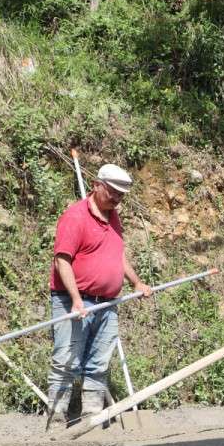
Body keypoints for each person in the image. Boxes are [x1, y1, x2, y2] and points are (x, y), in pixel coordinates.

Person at [46, 163, 152, 429]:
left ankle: (91, 419)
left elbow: (117, 255)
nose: (116, 199)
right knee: (67, 360)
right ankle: (57, 420)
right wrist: (76, 299)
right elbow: (62, 261)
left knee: (98, 362)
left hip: (107, 303)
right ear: (96, 185)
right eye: (112, 193)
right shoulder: (75, 217)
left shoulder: (113, 217)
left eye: (121, 195)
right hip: (73, 300)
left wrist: (136, 282)